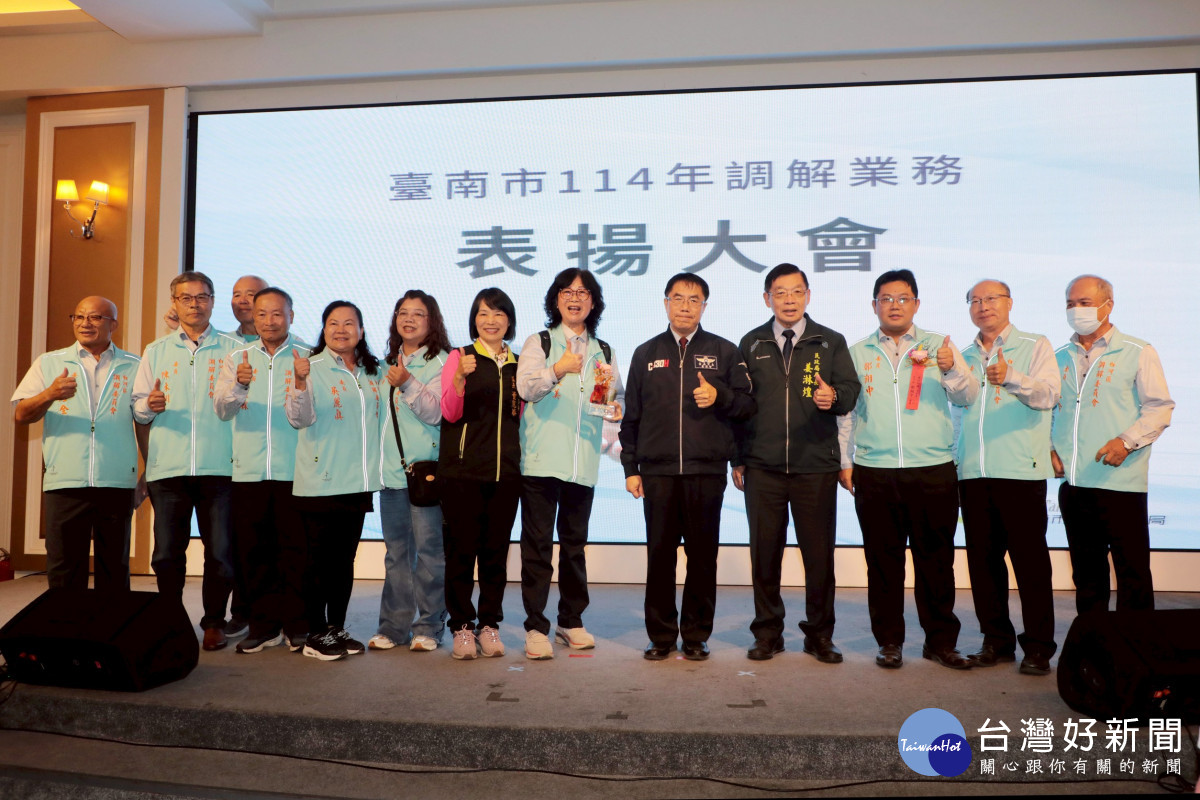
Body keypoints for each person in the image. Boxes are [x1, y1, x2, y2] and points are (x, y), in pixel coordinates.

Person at [838, 269, 979, 670]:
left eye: (903, 298)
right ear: (874, 305)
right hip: (875, 471)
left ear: (916, 304)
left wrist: (951, 369)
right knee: (883, 563)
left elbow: (968, 396)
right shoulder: (858, 352)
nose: (894, 305)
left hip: (932, 469)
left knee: (936, 562)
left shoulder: (940, 346)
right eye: (886, 299)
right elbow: (847, 413)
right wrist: (845, 460)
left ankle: (940, 642)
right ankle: (889, 642)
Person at [619, 272, 755, 661]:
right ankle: (661, 636)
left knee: (702, 557)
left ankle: (696, 634)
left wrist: (719, 396)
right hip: (658, 473)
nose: (685, 306)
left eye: (694, 299)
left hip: (705, 472)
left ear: (704, 306)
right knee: (659, 555)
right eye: (677, 298)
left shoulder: (724, 351)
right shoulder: (645, 353)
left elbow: (747, 406)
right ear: (666, 303)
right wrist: (630, 467)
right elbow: (632, 416)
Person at [733, 264, 859, 663]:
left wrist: (833, 397)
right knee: (764, 555)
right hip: (763, 466)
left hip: (815, 466)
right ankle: (768, 632)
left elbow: (851, 390)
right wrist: (739, 458)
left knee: (818, 557)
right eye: (780, 292)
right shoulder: (751, 342)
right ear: (766, 298)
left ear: (808, 295)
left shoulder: (830, 341)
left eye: (797, 291)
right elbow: (739, 404)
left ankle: (819, 635)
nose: (789, 300)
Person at [517, 268, 624, 660]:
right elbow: (525, 387)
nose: (575, 298)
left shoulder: (604, 351)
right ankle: (535, 627)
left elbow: (613, 399)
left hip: (583, 464)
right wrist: (558, 368)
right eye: (567, 291)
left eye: (583, 292)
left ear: (593, 302)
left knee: (574, 548)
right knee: (538, 548)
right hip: (542, 462)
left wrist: (616, 409)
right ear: (556, 299)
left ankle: (571, 621)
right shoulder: (540, 342)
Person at [133, 272, 243, 651]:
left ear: (212, 301)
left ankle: (214, 622)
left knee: (221, 553)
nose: (195, 304)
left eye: (202, 297)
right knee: (166, 554)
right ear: (174, 303)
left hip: (221, 467)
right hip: (169, 468)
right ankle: (171, 621)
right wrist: (149, 405)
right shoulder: (155, 350)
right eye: (186, 298)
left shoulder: (235, 349)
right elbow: (138, 407)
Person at [955, 280, 1060, 676]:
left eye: (991, 299)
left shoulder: (1035, 345)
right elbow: (955, 416)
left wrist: (1012, 376)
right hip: (973, 473)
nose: (983, 306)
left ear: (1009, 303)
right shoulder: (962, 356)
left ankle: (1039, 647)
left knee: (1030, 565)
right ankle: (996, 641)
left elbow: (1049, 395)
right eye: (975, 300)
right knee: (983, 565)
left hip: (1020, 472)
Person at [1051, 275, 1173, 613]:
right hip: (1075, 484)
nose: (1076, 310)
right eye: (1070, 304)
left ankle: (1136, 642)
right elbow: (1048, 410)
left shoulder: (1138, 351)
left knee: (1132, 572)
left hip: (1121, 481)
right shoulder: (1058, 357)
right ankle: (1094, 641)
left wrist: (1126, 441)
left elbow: (1159, 407)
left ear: (1108, 306)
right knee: (1087, 575)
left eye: (1085, 303)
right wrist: (1049, 447)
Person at [12, 296, 142, 592]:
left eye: (95, 317)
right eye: (79, 316)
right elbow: (21, 414)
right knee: (64, 567)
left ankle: (111, 622)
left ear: (113, 325)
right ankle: (66, 621)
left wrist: (146, 475)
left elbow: (145, 421)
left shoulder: (134, 365)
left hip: (115, 479)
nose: (85, 323)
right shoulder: (49, 362)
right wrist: (49, 394)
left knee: (114, 566)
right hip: (65, 480)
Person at [213, 287, 312, 654]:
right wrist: (240, 384)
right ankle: (263, 626)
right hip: (249, 472)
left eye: (277, 313)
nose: (270, 321)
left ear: (291, 316)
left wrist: (301, 381)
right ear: (252, 318)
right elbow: (222, 410)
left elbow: (308, 417)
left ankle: (297, 625)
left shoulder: (308, 356)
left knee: (296, 553)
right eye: (262, 314)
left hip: (295, 472)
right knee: (254, 554)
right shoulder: (236, 358)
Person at [286, 301, 383, 661]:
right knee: (317, 562)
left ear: (361, 330)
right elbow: (298, 418)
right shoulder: (310, 367)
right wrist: (299, 382)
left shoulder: (373, 371)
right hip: (320, 481)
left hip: (356, 482)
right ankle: (315, 633)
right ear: (324, 329)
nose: (341, 330)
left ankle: (336, 628)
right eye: (333, 323)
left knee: (343, 562)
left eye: (349, 323)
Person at [439, 288, 522, 661]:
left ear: (509, 321)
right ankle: (461, 627)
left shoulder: (518, 363)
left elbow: (521, 417)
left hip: (506, 475)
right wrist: (459, 379)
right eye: (483, 313)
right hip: (462, 475)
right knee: (460, 554)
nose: (491, 320)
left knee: (495, 556)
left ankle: (489, 624)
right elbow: (449, 412)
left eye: (499, 314)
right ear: (474, 319)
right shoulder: (459, 356)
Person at [371, 290, 451, 653]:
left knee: (430, 555)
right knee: (397, 555)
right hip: (391, 474)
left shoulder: (443, 362)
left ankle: (430, 626)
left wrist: (407, 381)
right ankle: (393, 627)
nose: (409, 319)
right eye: (402, 312)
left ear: (431, 321)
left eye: (418, 314)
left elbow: (437, 413)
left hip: (425, 475)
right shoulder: (384, 362)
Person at [230, 275, 269, 342]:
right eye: (237, 295)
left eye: (250, 294)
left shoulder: (285, 343)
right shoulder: (223, 342)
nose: (242, 301)